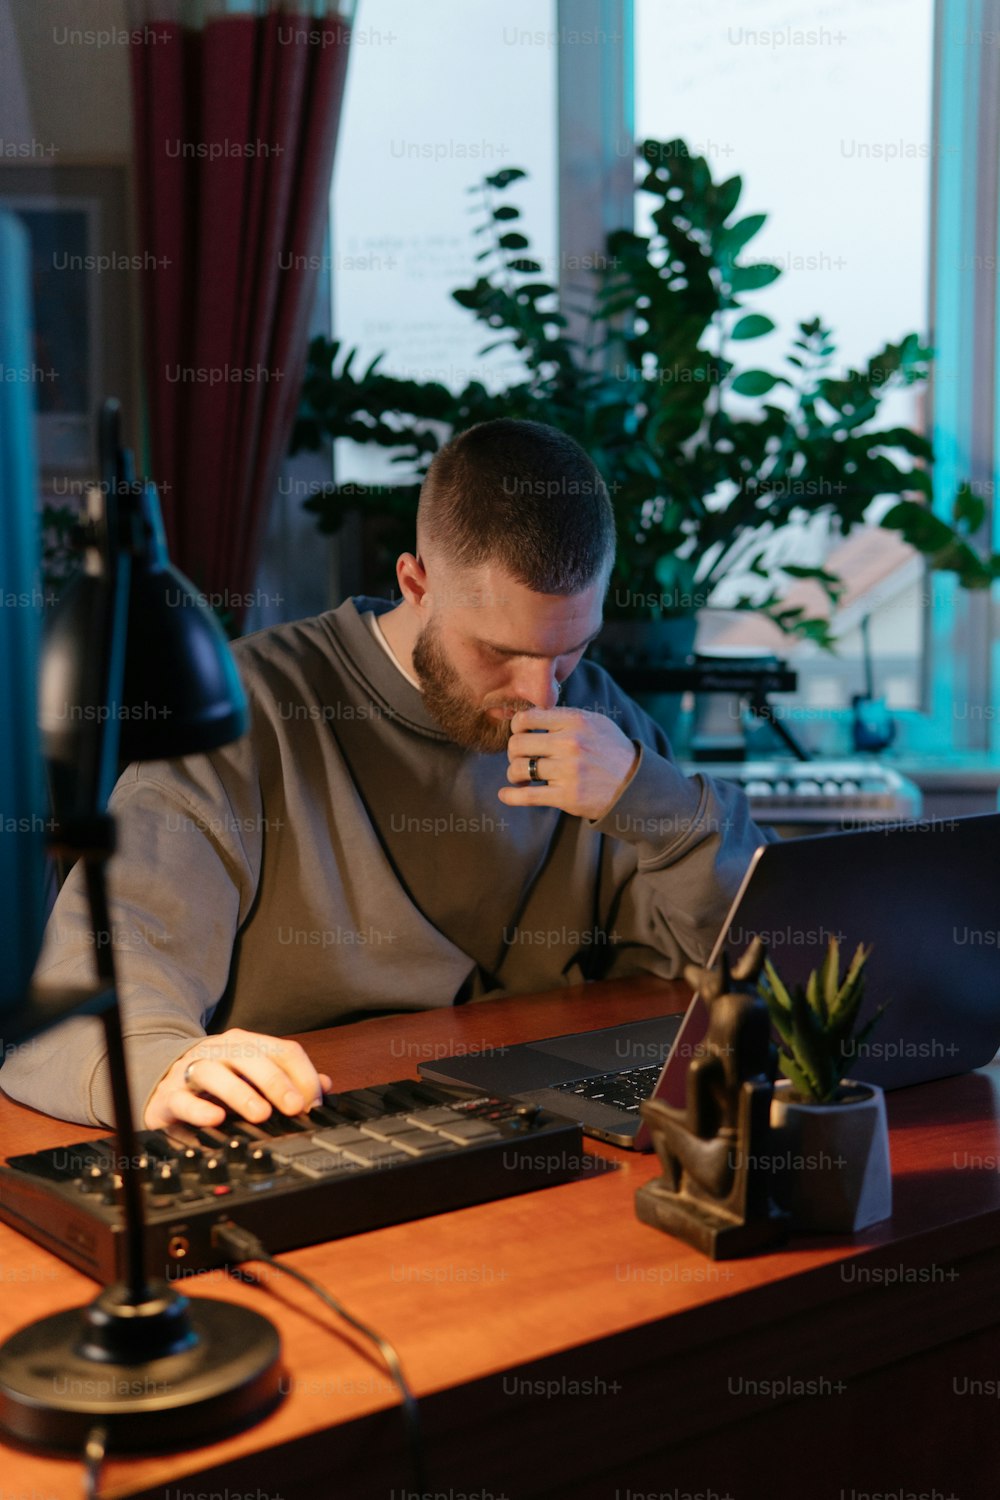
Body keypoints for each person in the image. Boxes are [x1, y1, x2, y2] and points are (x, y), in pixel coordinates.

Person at [1, 419, 767, 1129]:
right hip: (318, 1128)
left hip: (546, 1133)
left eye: (570, 651)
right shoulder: (251, 714)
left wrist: (646, 795)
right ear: (417, 582)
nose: (542, 696)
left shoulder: (600, 719)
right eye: (499, 652)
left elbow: (762, 966)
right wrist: (171, 1064)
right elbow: (92, 992)